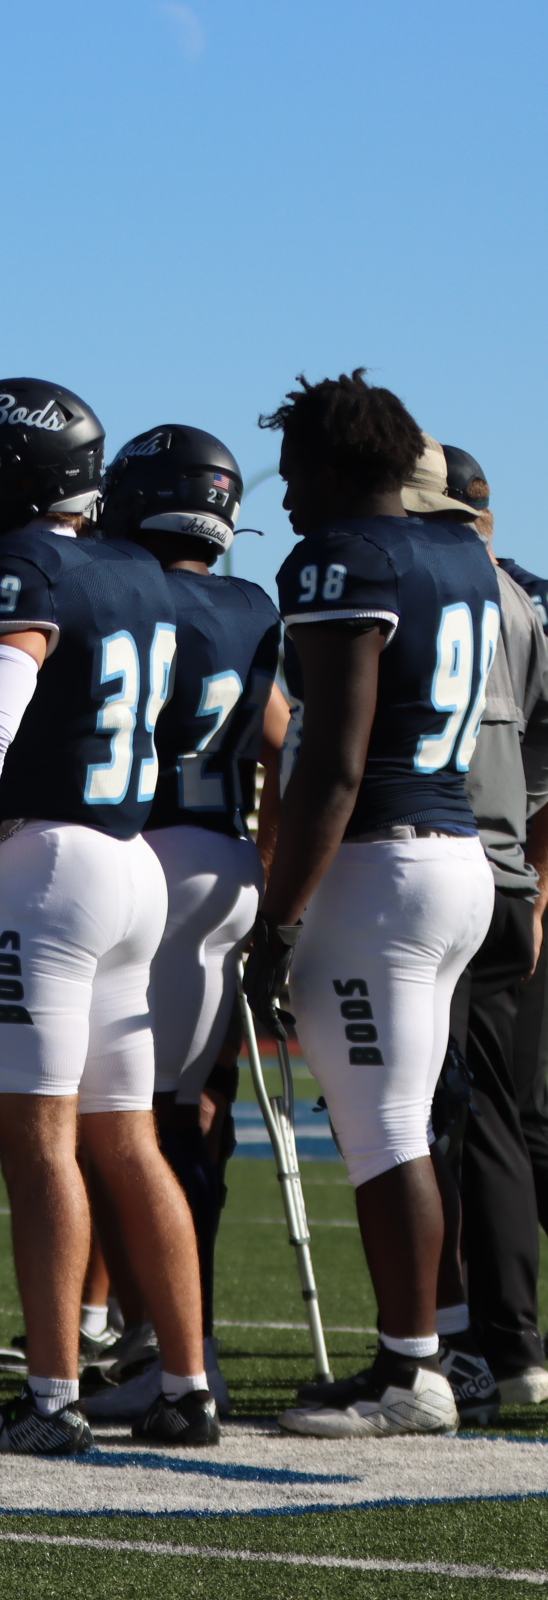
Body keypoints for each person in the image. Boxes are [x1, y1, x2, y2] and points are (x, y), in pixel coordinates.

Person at [0, 377, 213, 1454]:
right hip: (136, 860)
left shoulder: (19, 567)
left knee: (40, 1144)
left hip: (47, 867)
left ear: (11, 471)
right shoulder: (135, 567)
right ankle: (187, 1383)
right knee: (127, 1140)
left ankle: (52, 1397)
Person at [248, 371, 497, 1438]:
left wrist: (278, 916)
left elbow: (334, 764)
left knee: (387, 1129)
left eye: (299, 468)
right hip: (457, 857)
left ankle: (411, 1374)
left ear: (339, 465)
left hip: (378, 867)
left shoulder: (343, 558)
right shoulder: (462, 553)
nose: (289, 494)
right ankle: (419, 1350)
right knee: (405, 1120)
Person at [84, 424, 283, 1424]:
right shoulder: (251, 604)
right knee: (191, 1110)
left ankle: (166, 1340)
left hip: (146, 850)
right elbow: (283, 734)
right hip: (229, 853)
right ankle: (168, 1333)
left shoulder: (133, 591)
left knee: (127, 1117)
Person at [398, 435, 548, 1420]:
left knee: (429, 1120)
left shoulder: (404, 584)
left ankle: (463, 1344)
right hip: (512, 877)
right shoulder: (528, 600)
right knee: (509, 1116)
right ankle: (512, 1343)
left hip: (426, 866)